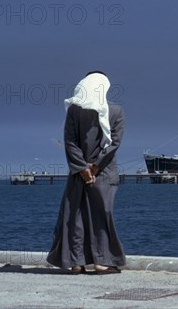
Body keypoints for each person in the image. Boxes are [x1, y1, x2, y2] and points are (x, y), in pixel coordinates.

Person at [47, 71, 126, 274]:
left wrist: (82, 168)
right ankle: (102, 262)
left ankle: (76, 262)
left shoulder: (74, 110)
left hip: (78, 172)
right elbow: (114, 144)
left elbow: (70, 142)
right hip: (104, 172)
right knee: (102, 214)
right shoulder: (116, 111)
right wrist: (95, 166)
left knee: (75, 215)